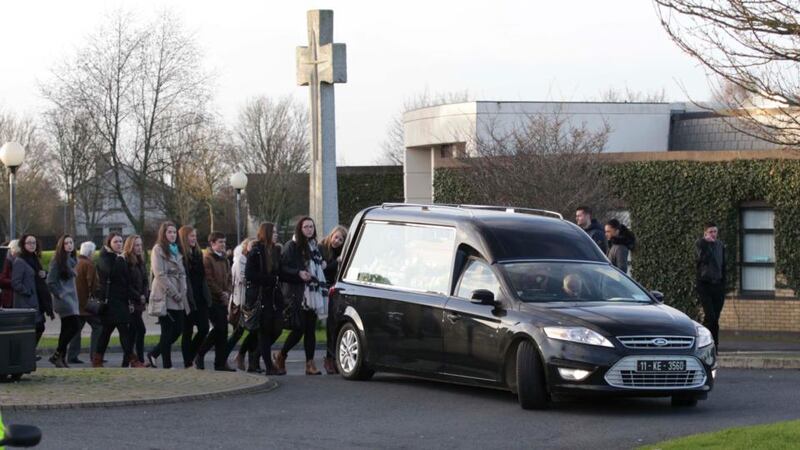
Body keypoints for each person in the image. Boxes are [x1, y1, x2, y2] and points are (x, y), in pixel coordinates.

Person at [273, 217, 327, 376]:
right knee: (299, 328)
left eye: (311, 227)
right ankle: (281, 355)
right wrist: (298, 273)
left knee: (310, 329)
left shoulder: (314, 247)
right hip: (298, 293)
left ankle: (310, 364)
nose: (309, 229)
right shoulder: (292, 246)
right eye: (306, 227)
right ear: (300, 229)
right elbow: (282, 269)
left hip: (313, 292)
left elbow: (318, 267)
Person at [94, 233, 144, 368]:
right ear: (109, 243)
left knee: (115, 331)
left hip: (119, 301)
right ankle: (131, 360)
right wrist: (120, 260)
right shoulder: (106, 257)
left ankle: (100, 359)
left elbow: (125, 280)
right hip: (110, 302)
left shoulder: (119, 258)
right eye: (116, 242)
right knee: (112, 331)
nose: (119, 244)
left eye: (121, 241)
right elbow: (111, 273)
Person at [147, 222, 190, 369]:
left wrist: (182, 290)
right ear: (163, 234)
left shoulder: (177, 249)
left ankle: (154, 353)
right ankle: (167, 364)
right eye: (169, 232)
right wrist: (174, 292)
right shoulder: (158, 249)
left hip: (178, 293)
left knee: (178, 329)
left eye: (174, 232)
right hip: (165, 295)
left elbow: (182, 272)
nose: (172, 235)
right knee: (167, 331)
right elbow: (159, 274)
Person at [245, 223, 285, 375]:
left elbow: (279, 272)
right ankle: (269, 366)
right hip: (261, 297)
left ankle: (255, 357)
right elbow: (249, 274)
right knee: (264, 331)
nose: (276, 234)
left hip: (274, 297)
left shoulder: (275, 250)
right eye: (273, 232)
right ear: (266, 233)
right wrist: (270, 280)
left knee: (277, 329)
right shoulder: (256, 251)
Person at [197, 232, 235, 371]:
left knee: (223, 332)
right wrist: (221, 293)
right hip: (213, 299)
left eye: (224, 242)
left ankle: (220, 363)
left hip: (223, 299)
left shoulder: (224, 258)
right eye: (220, 242)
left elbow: (229, 277)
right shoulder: (207, 258)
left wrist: (228, 292)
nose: (223, 245)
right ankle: (200, 353)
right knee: (219, 328)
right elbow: (209, 280)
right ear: (212, 243)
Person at [225, 238, 261, 371]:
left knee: (253, 331)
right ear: (246, 246)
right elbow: (244, 279)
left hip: (249, 301)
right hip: (240, 301)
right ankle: (225, 357)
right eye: (252, 245)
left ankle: (246, 359)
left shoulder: (249, 259)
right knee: (238, 332)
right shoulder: (241, 260)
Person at [46, 235, 81, 368]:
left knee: (66, 328)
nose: (69, 245)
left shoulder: (72, 260)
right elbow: (50, 281)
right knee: (75, 326)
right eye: (66, 243)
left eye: (71, 242)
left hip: (72, 297)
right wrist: (59, 293)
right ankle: (57, 354)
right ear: (61, 246)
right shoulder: (57, 261)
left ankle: (60, 358)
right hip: (64, 299)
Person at [12, 234, 52, 348]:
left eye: (34, 243)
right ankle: (27, 354)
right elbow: (15, 283)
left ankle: (29, 353)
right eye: (29, 243)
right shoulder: (20, 261)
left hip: (37, 301)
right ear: (23, 245)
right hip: (26, 302)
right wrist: (28, 292)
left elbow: (37, 277)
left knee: (39, 327)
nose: (32, 245)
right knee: (34, 328)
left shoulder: (34, 259)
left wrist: (44, 275)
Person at [319, 225, 347, 374]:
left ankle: (333, 358)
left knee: (335, 324)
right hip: (323, 288)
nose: (337, 241)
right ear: (331, 235)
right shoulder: (322, 247)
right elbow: (323, 269)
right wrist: (336, 262)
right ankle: (329, 359)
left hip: (335, 288)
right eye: (336, 237)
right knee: (330, 324)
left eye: (340, 239)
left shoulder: (341, 251)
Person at [67, 241, 101, 365]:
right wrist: (97, 295)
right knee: (98, 327)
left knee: (77, 330)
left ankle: (72, 355)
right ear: (90, 252)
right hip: (87, 304)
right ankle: (96, 355)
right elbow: (92, 283)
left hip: (76, 302)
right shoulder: (89, 264)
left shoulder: (75, 263)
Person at [696, 222, 726, 348]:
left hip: (718, 285)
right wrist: (707, 245)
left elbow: (723, 264)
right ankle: (704, 342)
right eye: (711, 232)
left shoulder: (720, 245)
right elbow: (701, 260)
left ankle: (715, 345)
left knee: (715, 318)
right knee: (710, 316)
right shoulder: (700, 244)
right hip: (705, 285)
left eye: (715, 231)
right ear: (705, 233)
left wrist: (724, 283)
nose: (713, 234)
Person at [123, 235, 148, 365]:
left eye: (140, 245)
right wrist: (138, 296)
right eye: (136, 245)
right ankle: (140, 360)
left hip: (139, 301)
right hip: (131, 302)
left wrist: (144, 295)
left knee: (133, 333)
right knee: (141, 330)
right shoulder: (127, 261)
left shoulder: (141, 261)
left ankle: (127, 361)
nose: (139, 248)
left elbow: (145, 281)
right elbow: (126, 284)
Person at [0, 240, 20, 309]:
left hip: (18, 296)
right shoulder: (6, 262)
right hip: (9, 298)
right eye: (17, 252)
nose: (18, 255)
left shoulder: (20, 261)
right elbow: (2, 279)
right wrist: (15, 282)